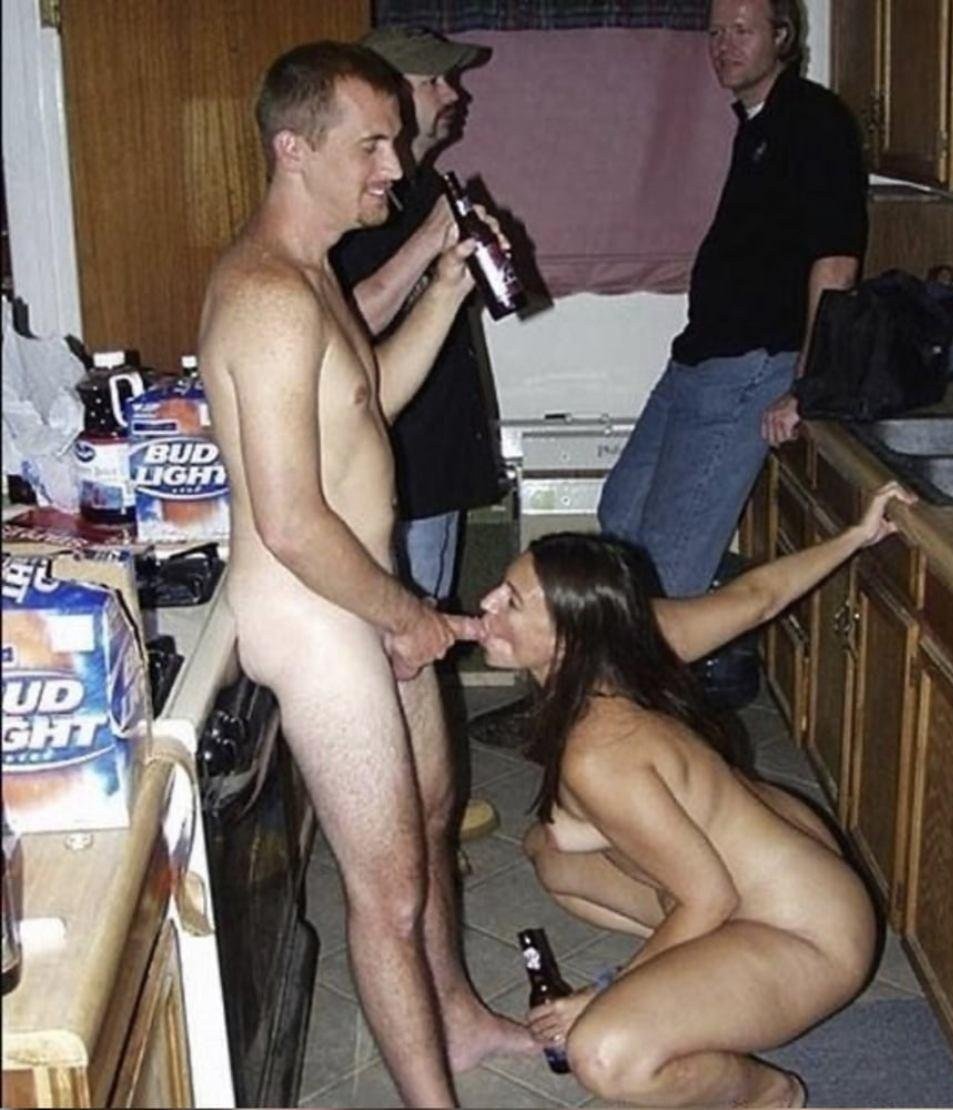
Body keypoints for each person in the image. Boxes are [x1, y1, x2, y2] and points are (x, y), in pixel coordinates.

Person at [197, 42, 532, 1108]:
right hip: (316, 617)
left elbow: (365, 400)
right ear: (293, 149)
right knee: (386, 894)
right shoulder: (265, 295)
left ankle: (458, 1022)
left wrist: (446, 288)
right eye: (372, 145)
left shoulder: (313, 271)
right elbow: (292, 522)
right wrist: (404, 615)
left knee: (430, 817)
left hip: (365, 592)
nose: (395, 166)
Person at [467, 481, 915, 1107]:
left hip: (812, 933)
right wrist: (856, 536)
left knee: (605, 1052)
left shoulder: (597, 753)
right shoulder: (626, 638)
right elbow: (755, 598)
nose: (487, 602)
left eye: (511, 602)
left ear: (569, 637)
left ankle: (771, 1095)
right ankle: (696, 979)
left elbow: (707, 897)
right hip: (785, 862)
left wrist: (605, 993)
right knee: (550, 851)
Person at [598, 0, 868, 598]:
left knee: (669, 567)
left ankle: (673, 654)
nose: (724, 45)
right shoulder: (758, 123)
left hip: (749, 369)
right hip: (698, 358)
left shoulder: (815, 121)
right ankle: (656, 646)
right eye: (716, 33)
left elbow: (836, 263)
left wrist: (807, 385)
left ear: (782, 36)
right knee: (619, 516)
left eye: (742, 30)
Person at [329, 27, 501, 604]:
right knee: (404, 628)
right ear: (390, 95)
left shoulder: (426, 188)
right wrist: (429, 241)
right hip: (396, 462)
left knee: (432, 612)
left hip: (438, 457)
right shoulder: (356, 203)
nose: (454, 94)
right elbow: (343, 323)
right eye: (435, 81)